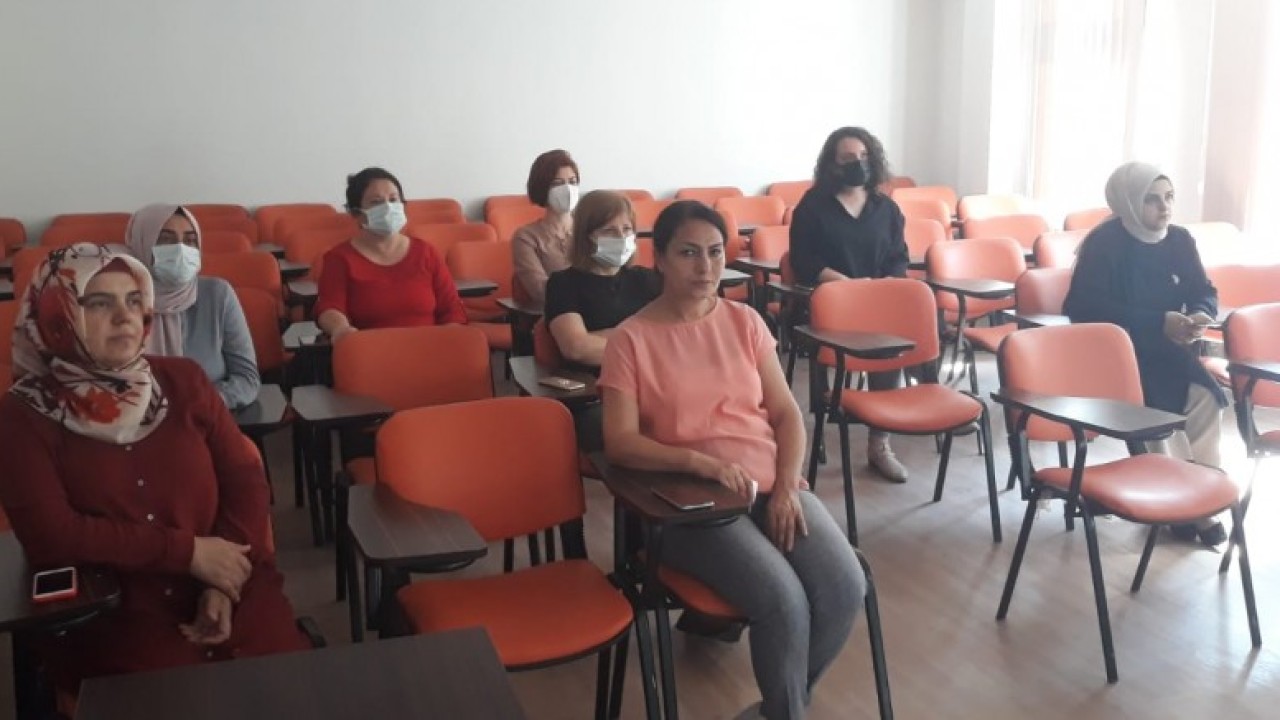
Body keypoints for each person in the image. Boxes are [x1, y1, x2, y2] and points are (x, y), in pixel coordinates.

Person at [600, 201, 866, 720]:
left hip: (770, 485)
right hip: (691, 505)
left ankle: (777, 713)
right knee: (783, 602)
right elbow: (620, 442)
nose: (706, 267)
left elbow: (787, 416)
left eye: (716, 252)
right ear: (659, 259)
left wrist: (786, 486)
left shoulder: (745, 321)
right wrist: (700, 464)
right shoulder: (630, 339)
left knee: (845, 586)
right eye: (688, 253)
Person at [0, 244, 309, 688]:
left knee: (284, 687)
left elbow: (244, 479)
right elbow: (53, 535)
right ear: (56, 315)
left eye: (133, 300)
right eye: (98, 303)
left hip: (231, 584)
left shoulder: (184, 380)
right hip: (117, 610)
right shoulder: (22, 414)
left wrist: (221, 580)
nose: (124, 317)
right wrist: (187, 553)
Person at [1064, 161, 1228, 547]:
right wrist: (1157, 321)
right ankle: (1185, 506)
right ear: (1128, 202)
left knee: (1206, 399)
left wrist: (1201, 312)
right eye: (1152, 199)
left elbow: (1204, 289)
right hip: (1120, 355)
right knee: (1158, 411)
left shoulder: (1180, 240)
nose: (1164, 207)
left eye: (1169, 197)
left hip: (1167, 350)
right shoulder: (1105, 244)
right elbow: (1082, 308)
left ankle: (1201, 493)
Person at [789, 126, 911, 482]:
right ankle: (823, 418)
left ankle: (880, 443)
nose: (857, 164)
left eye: (863, 157)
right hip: (831, 300)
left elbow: (898, 258)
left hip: (876, 300)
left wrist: (881, 286)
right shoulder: (813, 206)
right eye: (848, 158)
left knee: (894, 336)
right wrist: (846, 285)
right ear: (832, 164)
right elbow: (803, 259)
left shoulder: (886, 209)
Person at [544, 190, 659, 452]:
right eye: (609, 231)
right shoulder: (563, 284)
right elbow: (578, 348)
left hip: (653, 388)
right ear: (587, 236)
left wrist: (605, 336)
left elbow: (677, 336)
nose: (621, 237)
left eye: (627, 229)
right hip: (595, 395)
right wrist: (645, 340)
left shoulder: (647, 280)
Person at [124, 204, 260, 409]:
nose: (180, 249)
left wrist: (201, 403)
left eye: (190, 241)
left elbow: (247, 379)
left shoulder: (217, 295)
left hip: (206, 416)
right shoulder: (119, 303)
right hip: (135, 421)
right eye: (166, 240)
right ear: (142, 244)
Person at [315, 167, 467, 340]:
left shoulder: (426, 252)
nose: (388, 208)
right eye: (376, 202)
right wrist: (340, 329)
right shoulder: (339, 258)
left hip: (428, 346)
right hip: (371, 349)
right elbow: (330, 308)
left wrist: (450, 338)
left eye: (394, 200)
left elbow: (451, 308)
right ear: (356, 212)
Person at [513, 149, 580, 305]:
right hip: (557, 313)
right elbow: (539, 290)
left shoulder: (590, 229)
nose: (568, 189)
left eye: (572, 182)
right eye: (557, 183)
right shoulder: (526, 237)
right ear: (542, 188)